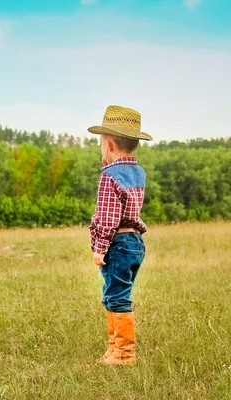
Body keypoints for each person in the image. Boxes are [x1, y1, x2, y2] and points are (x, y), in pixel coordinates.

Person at [87, 105, 153, 366]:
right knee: (116, 293)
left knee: (117, 297)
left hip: (118, 243)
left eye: (101, 143)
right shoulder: (138, 172)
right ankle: (114, 350)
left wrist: (99, 247)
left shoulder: (109, 176)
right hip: (135, 242)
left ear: (108, 144)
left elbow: (107, 217)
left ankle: (124, 354)